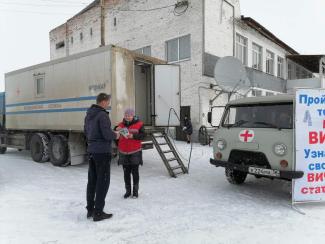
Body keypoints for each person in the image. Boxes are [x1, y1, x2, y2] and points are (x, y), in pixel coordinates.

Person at [84, 93, 119, 222]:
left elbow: (86, 132)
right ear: (103, 101)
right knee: (102, 182)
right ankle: (98, 212)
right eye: (108, 101)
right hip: (102, 152)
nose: (109, 104)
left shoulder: (89, 114)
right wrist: (116, 135)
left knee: (92, 181)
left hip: (92, 150)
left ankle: (90, 210)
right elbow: (106, 134)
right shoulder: (102, 115)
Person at [115, 108, 145, 199]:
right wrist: (116, 129)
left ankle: (135, 192)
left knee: (135, 172)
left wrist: (133, 136)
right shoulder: (120, 125)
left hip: (135, 152)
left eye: (129, 115)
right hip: (123, 152)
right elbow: (115, 136)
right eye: (126, 115)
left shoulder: (140, 124)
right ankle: (128, 191)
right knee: (126, 173)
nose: (128, 117)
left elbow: (143, 136)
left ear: (133, 116)